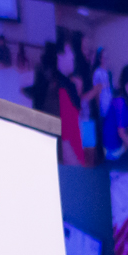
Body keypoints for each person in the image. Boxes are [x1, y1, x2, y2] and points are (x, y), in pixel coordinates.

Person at [38, 37, 84, 166]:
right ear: (59, 57)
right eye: (69, 53)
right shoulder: (60, 90)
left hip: (76, 154)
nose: (73, 57)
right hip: (72, 162)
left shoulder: (68, 85)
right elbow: (65, 142)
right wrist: (77, 169)